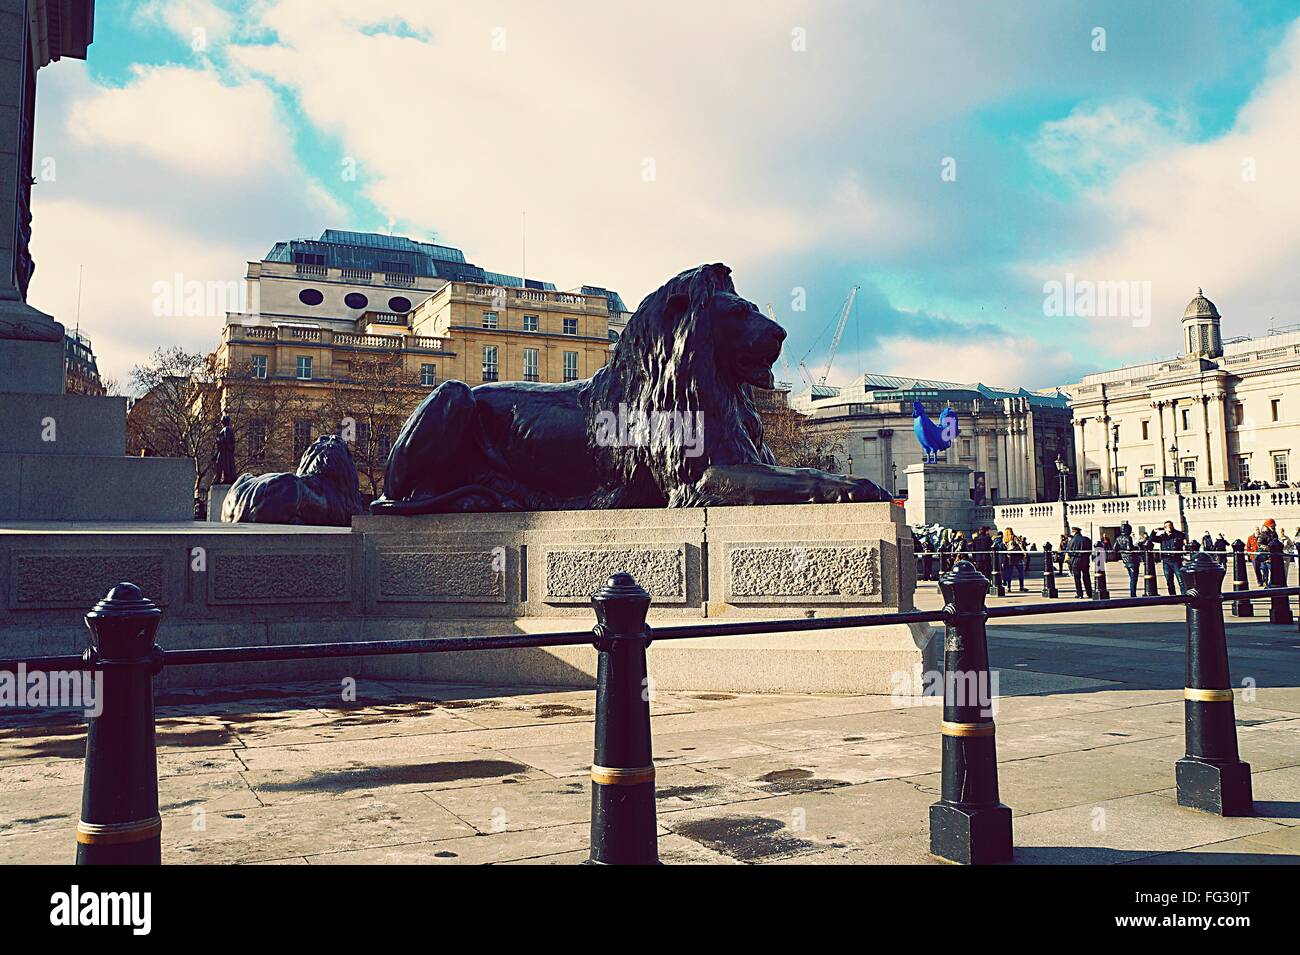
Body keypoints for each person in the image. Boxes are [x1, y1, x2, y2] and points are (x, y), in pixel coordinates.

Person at [1150, 520, 1187, 594]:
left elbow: (1183, 536)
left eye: (1170, 526)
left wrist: (1172, 531)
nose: (1168, 527)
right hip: (1166, 560)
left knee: (1180, 579)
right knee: (1169, 580)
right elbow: (1151, 539)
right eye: (1166, 526)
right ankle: (1172, 596)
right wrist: (1153, 532)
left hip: (1176, 560)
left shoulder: (1177, 535)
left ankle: (1184, 596)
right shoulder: (1162, 537)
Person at [1114, 521, 1140, 598]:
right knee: (1133, 578)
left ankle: (1133, 593)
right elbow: (1129, 548)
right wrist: (1136, 547)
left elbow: (1114, 548)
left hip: (1125, 559)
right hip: (1132, 559)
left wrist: (1121, 550)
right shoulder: (1128, 537)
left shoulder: (1118, 538)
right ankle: (1133, 594)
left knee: (1131, 577)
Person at [1067, 525, 1093, 598]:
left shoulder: (1072, 540)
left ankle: (1080, 594)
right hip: (1085, 561)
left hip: (1075, 561)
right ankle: (1089, 593)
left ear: (1075, 532)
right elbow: (1089, 550)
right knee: (1086, 577)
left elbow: (1069, 552)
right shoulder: (1086, 539)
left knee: (1077, 578)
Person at [1002, 527, 1027, 592]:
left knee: (1009, 573)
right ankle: (1021, 587)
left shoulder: (1005, 539)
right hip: (1017, 556)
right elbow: (1020, 545)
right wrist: (1024, 553)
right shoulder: (1014, 537)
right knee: (1021, 572)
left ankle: (1008, 587)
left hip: (1010, 557)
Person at [1257, 519, 1279, 586]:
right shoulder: (1263, 534)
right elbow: (1259, 544)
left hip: (1273, 555)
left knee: (1272, 571)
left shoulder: (1274, 533)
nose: (1273, 527)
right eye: (1272, 525)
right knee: (1266, 572)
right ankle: (1268, 585)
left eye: (1274, 525)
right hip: (1266, 556)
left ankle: (1270, 585)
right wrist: (1268, 548)